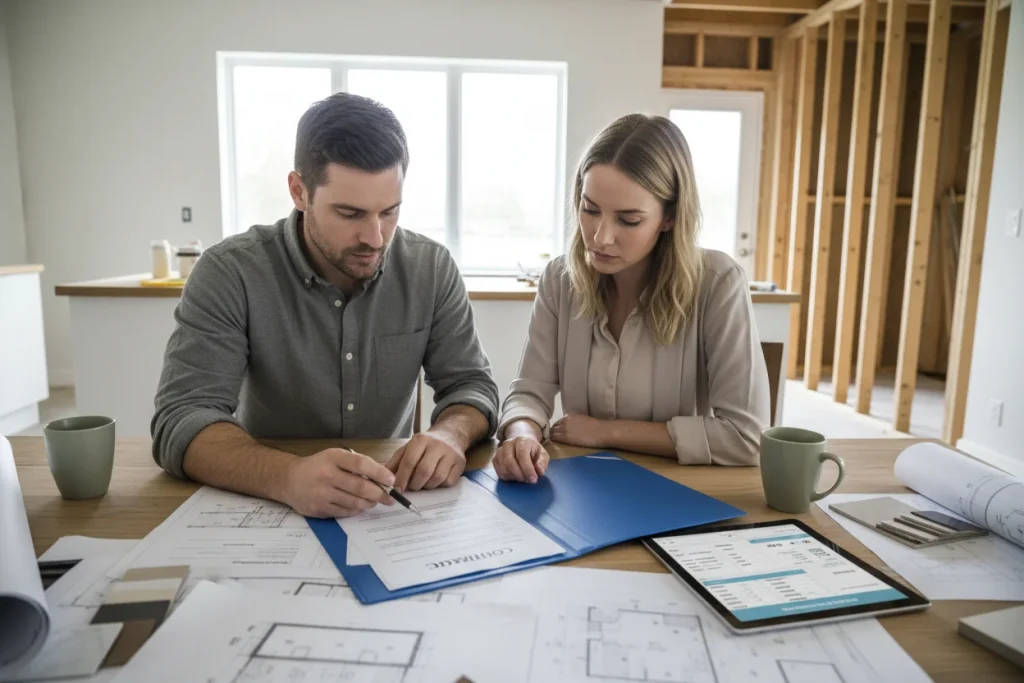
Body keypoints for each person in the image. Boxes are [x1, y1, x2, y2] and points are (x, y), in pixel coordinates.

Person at [151, 93, 499, 517]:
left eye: (389, 212)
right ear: (299, 192)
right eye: (350, 213)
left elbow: (472, 387)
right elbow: (181, 418)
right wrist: (286, 476)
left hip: (387, 510)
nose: (375, 237)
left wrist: (451, 434)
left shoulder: (431, 267)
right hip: (269, 503)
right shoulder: (231, 272)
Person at [492, 113, 770, 483]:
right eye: (590, 210)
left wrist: (605, 432)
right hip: (584, 490)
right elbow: (529, 392)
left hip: (684, 490)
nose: (600, 237)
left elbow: (746, 438)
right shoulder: (560, 279)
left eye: (628, 220)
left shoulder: (719, 282)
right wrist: (522, 433)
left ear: (669, 217)